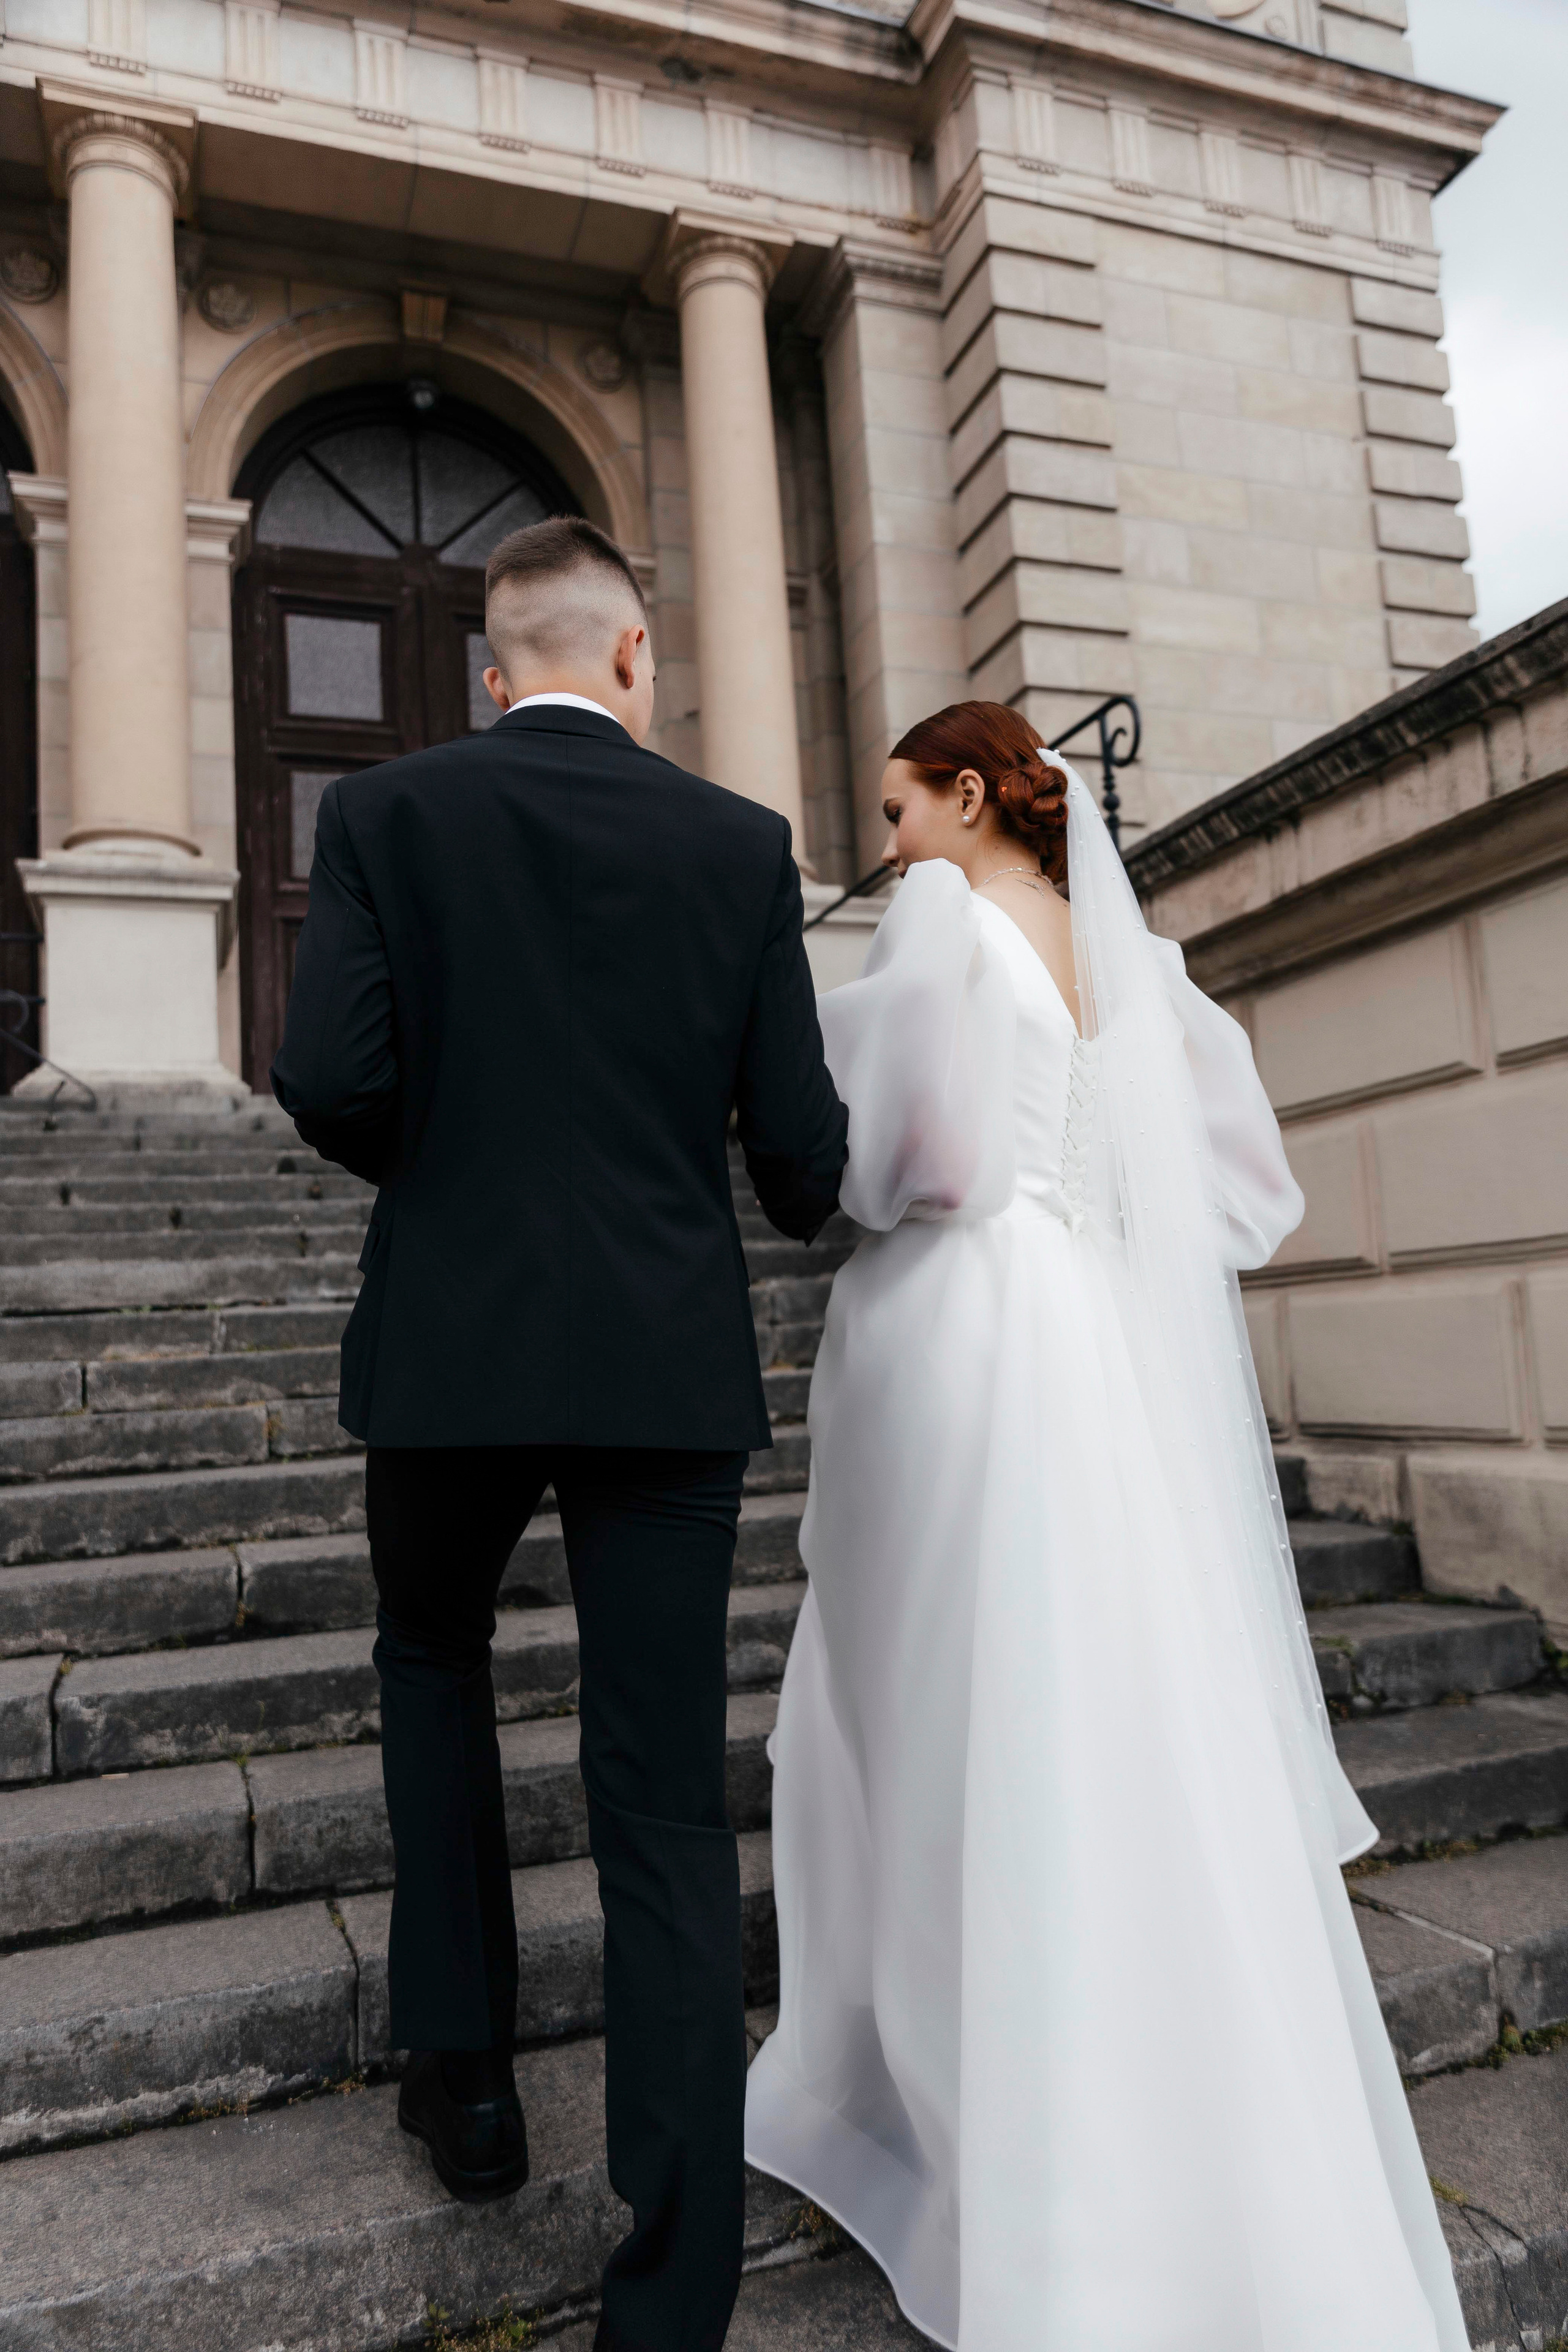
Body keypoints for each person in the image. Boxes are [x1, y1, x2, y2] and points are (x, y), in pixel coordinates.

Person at [744, 701, 1468, 2352]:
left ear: (971, 795)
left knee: (941, 1709)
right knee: (1093, 1701)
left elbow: (906, 1161)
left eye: (901, 811)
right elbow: (1247, 1190)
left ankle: (968, 2116)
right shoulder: (1135, 963)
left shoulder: (947, 920)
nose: (888, 847)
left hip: (962, 1328)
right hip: (1084, 1330)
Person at [272, 514, 847, 2352]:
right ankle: (670, 2294)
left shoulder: (384, 813)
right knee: (662, 1796)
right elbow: (800, 1158)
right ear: (635, 656)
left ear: (490, 667)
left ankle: (468, 2092)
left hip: (450, 1343)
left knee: (433, 1661)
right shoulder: (741, 844)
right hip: (665, 1360)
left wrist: (449, 1177)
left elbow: (327, 1076)